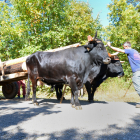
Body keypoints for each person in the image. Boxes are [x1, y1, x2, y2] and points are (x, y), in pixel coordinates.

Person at [107, 41, 140, 108]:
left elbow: (118, 50)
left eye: (124, 47)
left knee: (138, 86)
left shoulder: (130, 51)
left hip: (137, 71)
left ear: (127, 46)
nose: (124, 49)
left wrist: (109, 46)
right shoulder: (135, 51)